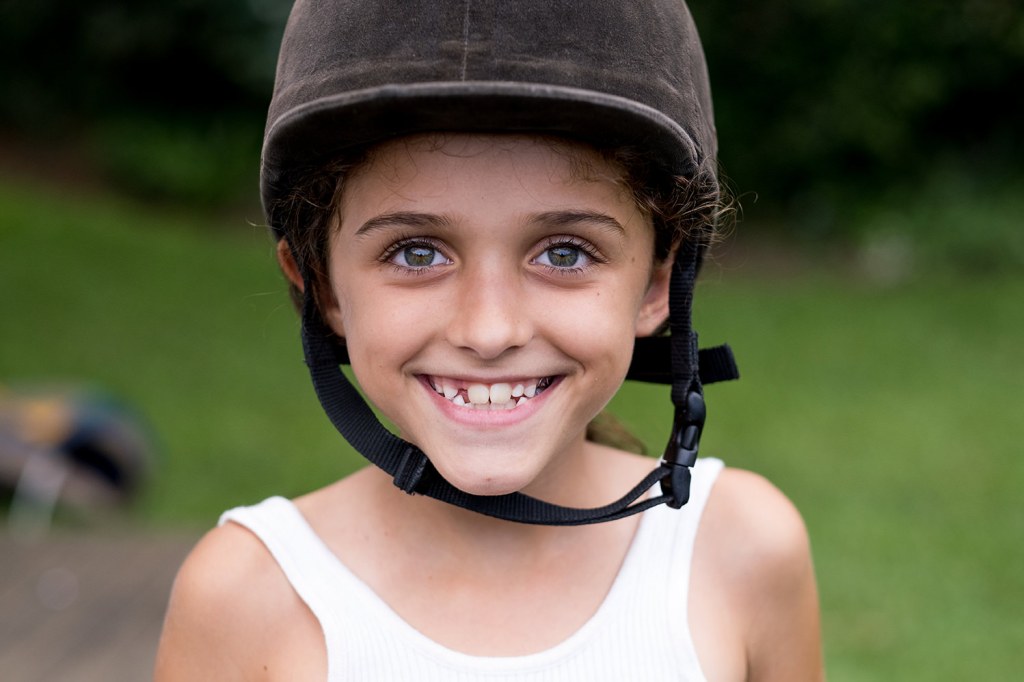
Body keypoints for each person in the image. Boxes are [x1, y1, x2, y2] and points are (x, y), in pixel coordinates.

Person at [156, 1, 824, 679]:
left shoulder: (742, 549)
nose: (489, 331)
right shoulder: (245, 596)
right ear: (321, 286)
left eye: (564, 253)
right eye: (417, 253)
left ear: (656, 284)